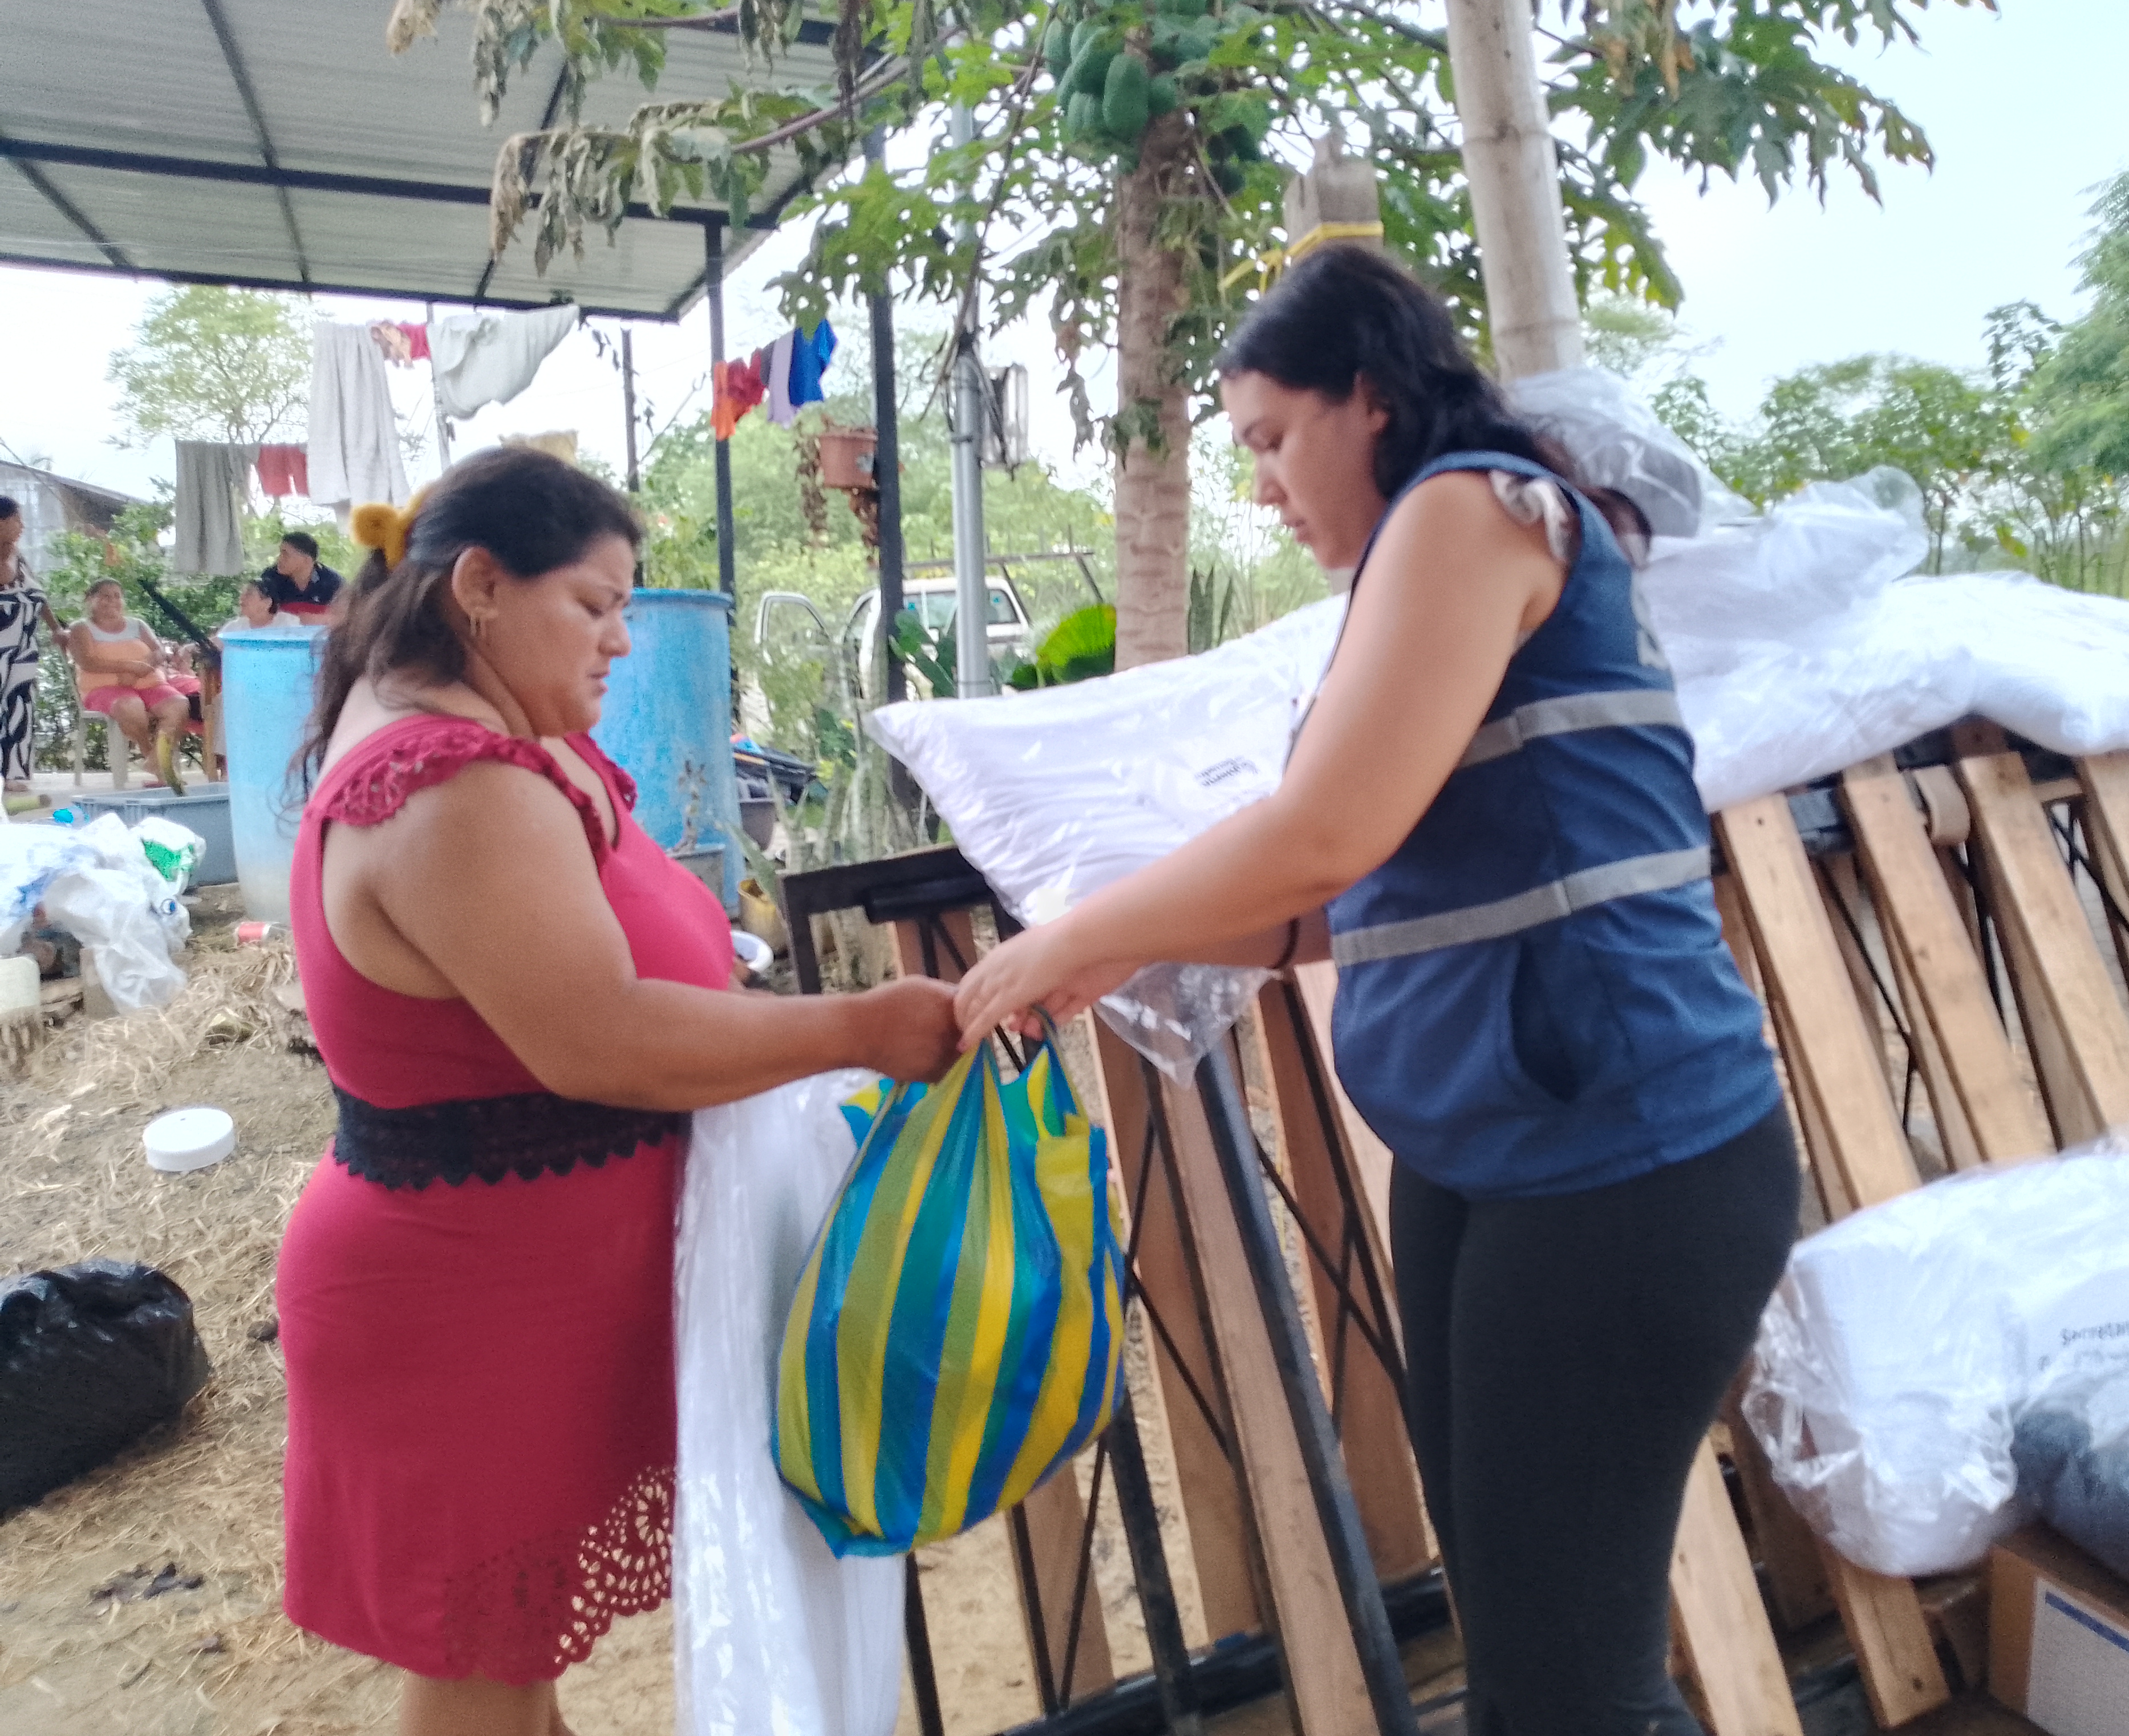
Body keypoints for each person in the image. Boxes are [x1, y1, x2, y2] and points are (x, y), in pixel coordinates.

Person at [952, 246, 1797, 1736]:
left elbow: (1321, 836)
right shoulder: (1420, 567)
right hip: (1497, 1157)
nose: (1264, 489)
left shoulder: (1469, 510)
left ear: (1372, 396)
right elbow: (1333, 906)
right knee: (1532, 1659)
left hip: (1624, 1165)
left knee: (1570, 1692)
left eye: (1274, 438)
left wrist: (1072, 935)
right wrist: (1126, 948)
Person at [274, 447, 960, 1736]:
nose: (621, 640)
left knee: (516, 1656)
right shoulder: (454, 785)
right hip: (468, 1305)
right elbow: (599, 1038)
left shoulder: (490, 729)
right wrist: (859, 1029)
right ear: (481, 585)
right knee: (485, 1664)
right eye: (594, 604)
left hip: (522, 1284)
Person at [67, 578, 193, 788]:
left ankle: (155, 760)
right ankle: (150, 754)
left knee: (179, 705)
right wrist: (129, 667)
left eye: (117, 596)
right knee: (131, 706)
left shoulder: (138, 625)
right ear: (90, 599)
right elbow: (87, 662)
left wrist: (143, 667)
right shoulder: (81, 628)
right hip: (104, 688)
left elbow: (159, 651)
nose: (112, 601)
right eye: (105, 596)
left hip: (149, 683)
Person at [0, 495, 67, 794]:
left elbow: (39, 596)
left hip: (24, 646)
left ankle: (15, 773)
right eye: (17, 519)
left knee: (20, 706)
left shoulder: (19, 556)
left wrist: (56, 628)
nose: (22, 526)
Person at [258, 529, 345, 621]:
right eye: (280, 553)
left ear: (307, 560)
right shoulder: (271, 578)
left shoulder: (332, 582)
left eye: (286, 555)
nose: (279, 559)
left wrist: (319, 620)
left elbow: (346, 618)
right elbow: (256, 614)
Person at [213, 577, 303, 642]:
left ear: (267, 603)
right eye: (242, 594)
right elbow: (213, 649)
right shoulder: (235, 627)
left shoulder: (289, 624)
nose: (242, 598)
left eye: (249, 594)